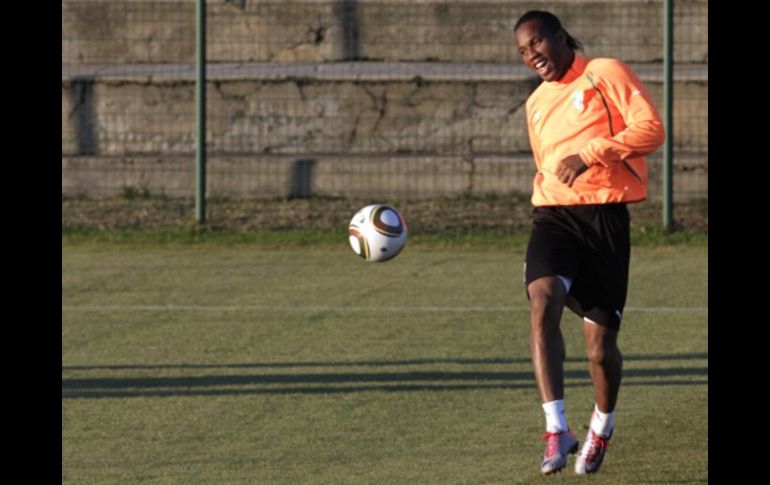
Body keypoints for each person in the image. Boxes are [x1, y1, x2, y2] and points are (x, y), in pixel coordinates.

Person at [513, 10, 665, 475]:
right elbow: (547, 166)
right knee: (543, 303)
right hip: (553, 215)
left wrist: (591, 153)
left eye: (537, 42)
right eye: (523, 51)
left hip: (604, 219)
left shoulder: (605, 73)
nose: (532, 55)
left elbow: (651, 129)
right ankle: (556, 428)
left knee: (600, 349)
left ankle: (602, 424)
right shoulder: (536, 104)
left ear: (561, 37)